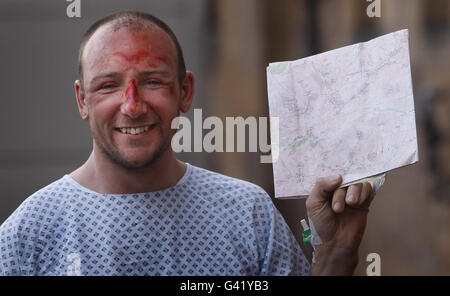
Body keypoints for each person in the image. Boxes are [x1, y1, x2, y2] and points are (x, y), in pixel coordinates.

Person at [0, 11, 374, 276]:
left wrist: (337, 253)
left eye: (153, 81)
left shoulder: (247, 215)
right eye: (108, 85)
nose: (132, 106)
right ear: (83, 100)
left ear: (185, 91)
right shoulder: (28, 234)